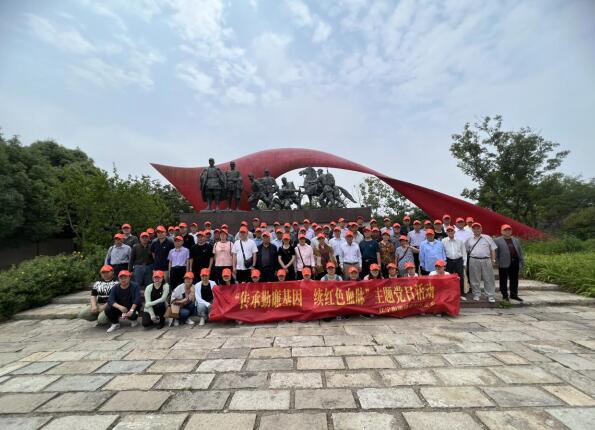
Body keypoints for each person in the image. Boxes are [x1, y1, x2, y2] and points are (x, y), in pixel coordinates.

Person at [466, 222, 498, 302]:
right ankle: (476, 294)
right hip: (473, 260)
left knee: (489, 278)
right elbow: (466, 250)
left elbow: (493, 249)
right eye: (474, 228)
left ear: (481, 229)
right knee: (474, 278)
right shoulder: (469, 239)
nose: (476, 230)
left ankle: (490, 295)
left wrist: (493, 260)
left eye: (478, 228)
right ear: (472, 230)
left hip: (486, 259)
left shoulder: (487, 237)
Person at [494, 224, 525, 302]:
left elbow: (520, 252)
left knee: (514, 279)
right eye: (505, 230)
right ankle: (505, 295)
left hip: (515, 262)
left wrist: (522, 261)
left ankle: (513, 295)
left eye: (509, 230)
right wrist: (497, 262)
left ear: (511, 231)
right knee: (503, 280)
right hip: (503, 262)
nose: (507, 231)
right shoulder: (497, 240)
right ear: (501, 231)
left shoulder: (516, 240)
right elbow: (496, 253)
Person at [443, 225, 467, 300]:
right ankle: (450, 293)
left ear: (454, 232)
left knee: (460, 277)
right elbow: (442, 252)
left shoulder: (460, 241)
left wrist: (464, 263)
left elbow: (464, 252)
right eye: (448, 231)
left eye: (451, 231)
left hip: (458, 260)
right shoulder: (443, 241)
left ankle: (461, 294)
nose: (450, 232)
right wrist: (444, 262)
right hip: (448, 261)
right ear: (446, 232)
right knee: (448, 277)